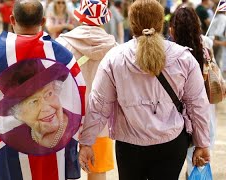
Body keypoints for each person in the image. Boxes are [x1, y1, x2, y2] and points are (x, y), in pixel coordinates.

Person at [78, 0, 211, 180]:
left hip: (129, 145)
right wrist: (202, 143)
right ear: (161, 23)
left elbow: (98, 106)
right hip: (171, 143)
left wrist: (86, 142)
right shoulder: (183, 57)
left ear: (132, 24)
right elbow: (198, 105)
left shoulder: (114, 58)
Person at [0, 0, 85, 179]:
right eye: (32, 101)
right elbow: (80, 91)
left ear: (12, 20)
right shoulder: (62, 55)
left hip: (9, 154)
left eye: (48, 93)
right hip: (56, 159)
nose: (45, 107)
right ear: (44, 21)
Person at [56, 0, 116, 179]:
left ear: (80, 16)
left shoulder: (62, 44)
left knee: (63, 171)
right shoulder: (114, 48)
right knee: (97, 171)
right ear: (103, 19)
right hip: (100, 121)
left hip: (65, 118)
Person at [169, 6, 221, 178]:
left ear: (173, 29)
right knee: (196, 164)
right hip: (203, 114)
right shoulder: (205, 48)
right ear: (197, 27)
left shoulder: (168, 53)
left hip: (174, 117)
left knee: (171, 167)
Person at [0, 59, 81, 154]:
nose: (46, 108)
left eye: (49, 94)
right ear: (17, 113)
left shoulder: (82, 127)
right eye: (34, 102)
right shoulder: (10, 141)